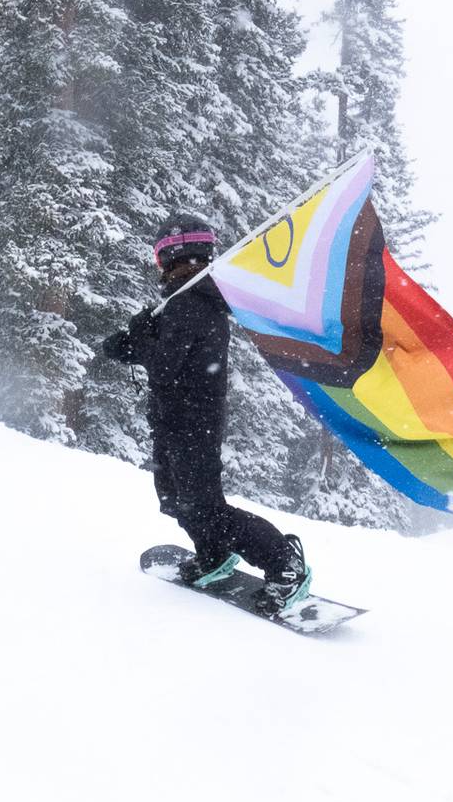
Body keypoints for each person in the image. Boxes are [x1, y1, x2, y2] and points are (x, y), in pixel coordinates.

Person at [100, 212, 312, 613]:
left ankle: (285, 563)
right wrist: (129, 341)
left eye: (160, 259)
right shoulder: (186, 302)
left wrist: (141, 337)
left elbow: (163, 366)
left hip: (192, 421)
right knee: (175, 498)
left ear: (169, 256)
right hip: (174, 420)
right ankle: (213, 553)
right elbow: (152, 354)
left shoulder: (190, 304)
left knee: (204, 505)